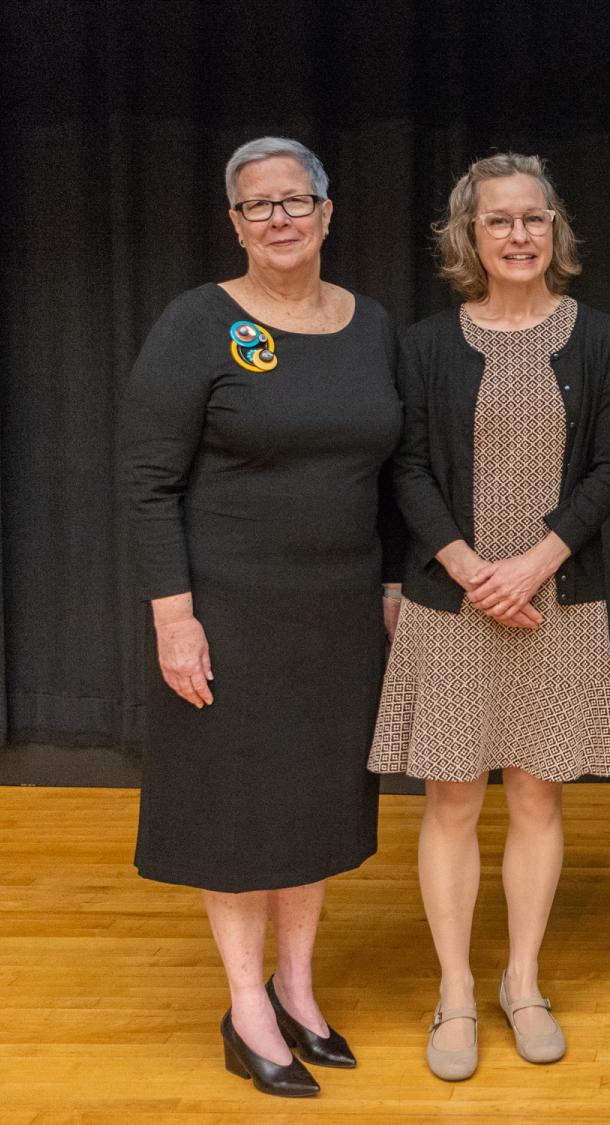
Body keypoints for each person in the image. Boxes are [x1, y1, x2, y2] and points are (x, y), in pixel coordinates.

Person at [123, 137, 402, 1098]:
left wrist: (397, 584)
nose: (279, 217)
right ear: (236, 224)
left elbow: (397, 471)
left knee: (313, 803)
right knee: (238, 811)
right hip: (229, 613)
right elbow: (148, 481)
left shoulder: (371, 326)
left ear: (329, 212)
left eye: (297, 199)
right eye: (258, 205)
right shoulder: (198, 323)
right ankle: (247, 1009)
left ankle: (298, 987)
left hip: (338, 617)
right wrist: (173, 617)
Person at [368, 152, 610, 1080]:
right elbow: (404, 466)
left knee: (536, 794)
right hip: (453, 602)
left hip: (558, 600)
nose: (518, 236)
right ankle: (453, 991)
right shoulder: (424, 344)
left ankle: (521, 981)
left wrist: (533, 564)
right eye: (499, 222)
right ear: (467, 238)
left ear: (555, 231)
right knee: (451, 798)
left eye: (534, 219)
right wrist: (470, 569)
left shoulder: (599, 338)